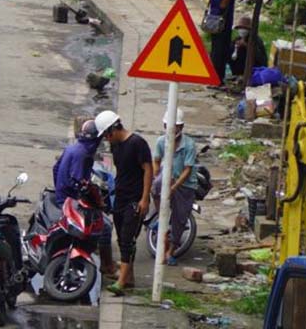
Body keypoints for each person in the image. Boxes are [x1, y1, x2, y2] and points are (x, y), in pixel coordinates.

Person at [96, 109, 152, 295]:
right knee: (121, 238)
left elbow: (148, 170)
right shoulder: (116, 146)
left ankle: (120, 283)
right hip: (119, 197)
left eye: (106, 135)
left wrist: (144, 198)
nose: (106, 139)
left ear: (113, 129)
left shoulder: (137, 143)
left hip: (135, 199)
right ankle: (129, 278)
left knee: (128, 239)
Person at [53, 119, 117, 277]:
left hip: (63, 196)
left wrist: (60, 189)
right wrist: (97, 202)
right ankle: (107, 266)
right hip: (71, 200)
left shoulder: (73, 148)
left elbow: (56, 168)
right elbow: (80, 184)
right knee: (106, 226)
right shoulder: (83, 155)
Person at [151, 109, 198, 266]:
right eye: (169, 126)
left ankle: (171, 252)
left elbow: (188, 169)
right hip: (168, 176)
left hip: (185, 184)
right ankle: (159, 216)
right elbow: (157, 160)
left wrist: (175, 186)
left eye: (175, 126)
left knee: (179, 218)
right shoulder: (161, 141)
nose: (172, 129)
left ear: (181, 127)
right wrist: (156, 176)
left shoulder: (189, 145)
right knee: (155, 187)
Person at [208, 0, 244, 86]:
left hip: (227, 23)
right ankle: (214, 79)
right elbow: (222, 4)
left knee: (224, 51)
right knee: (217, 52)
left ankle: (220, 78)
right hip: (217, 23)